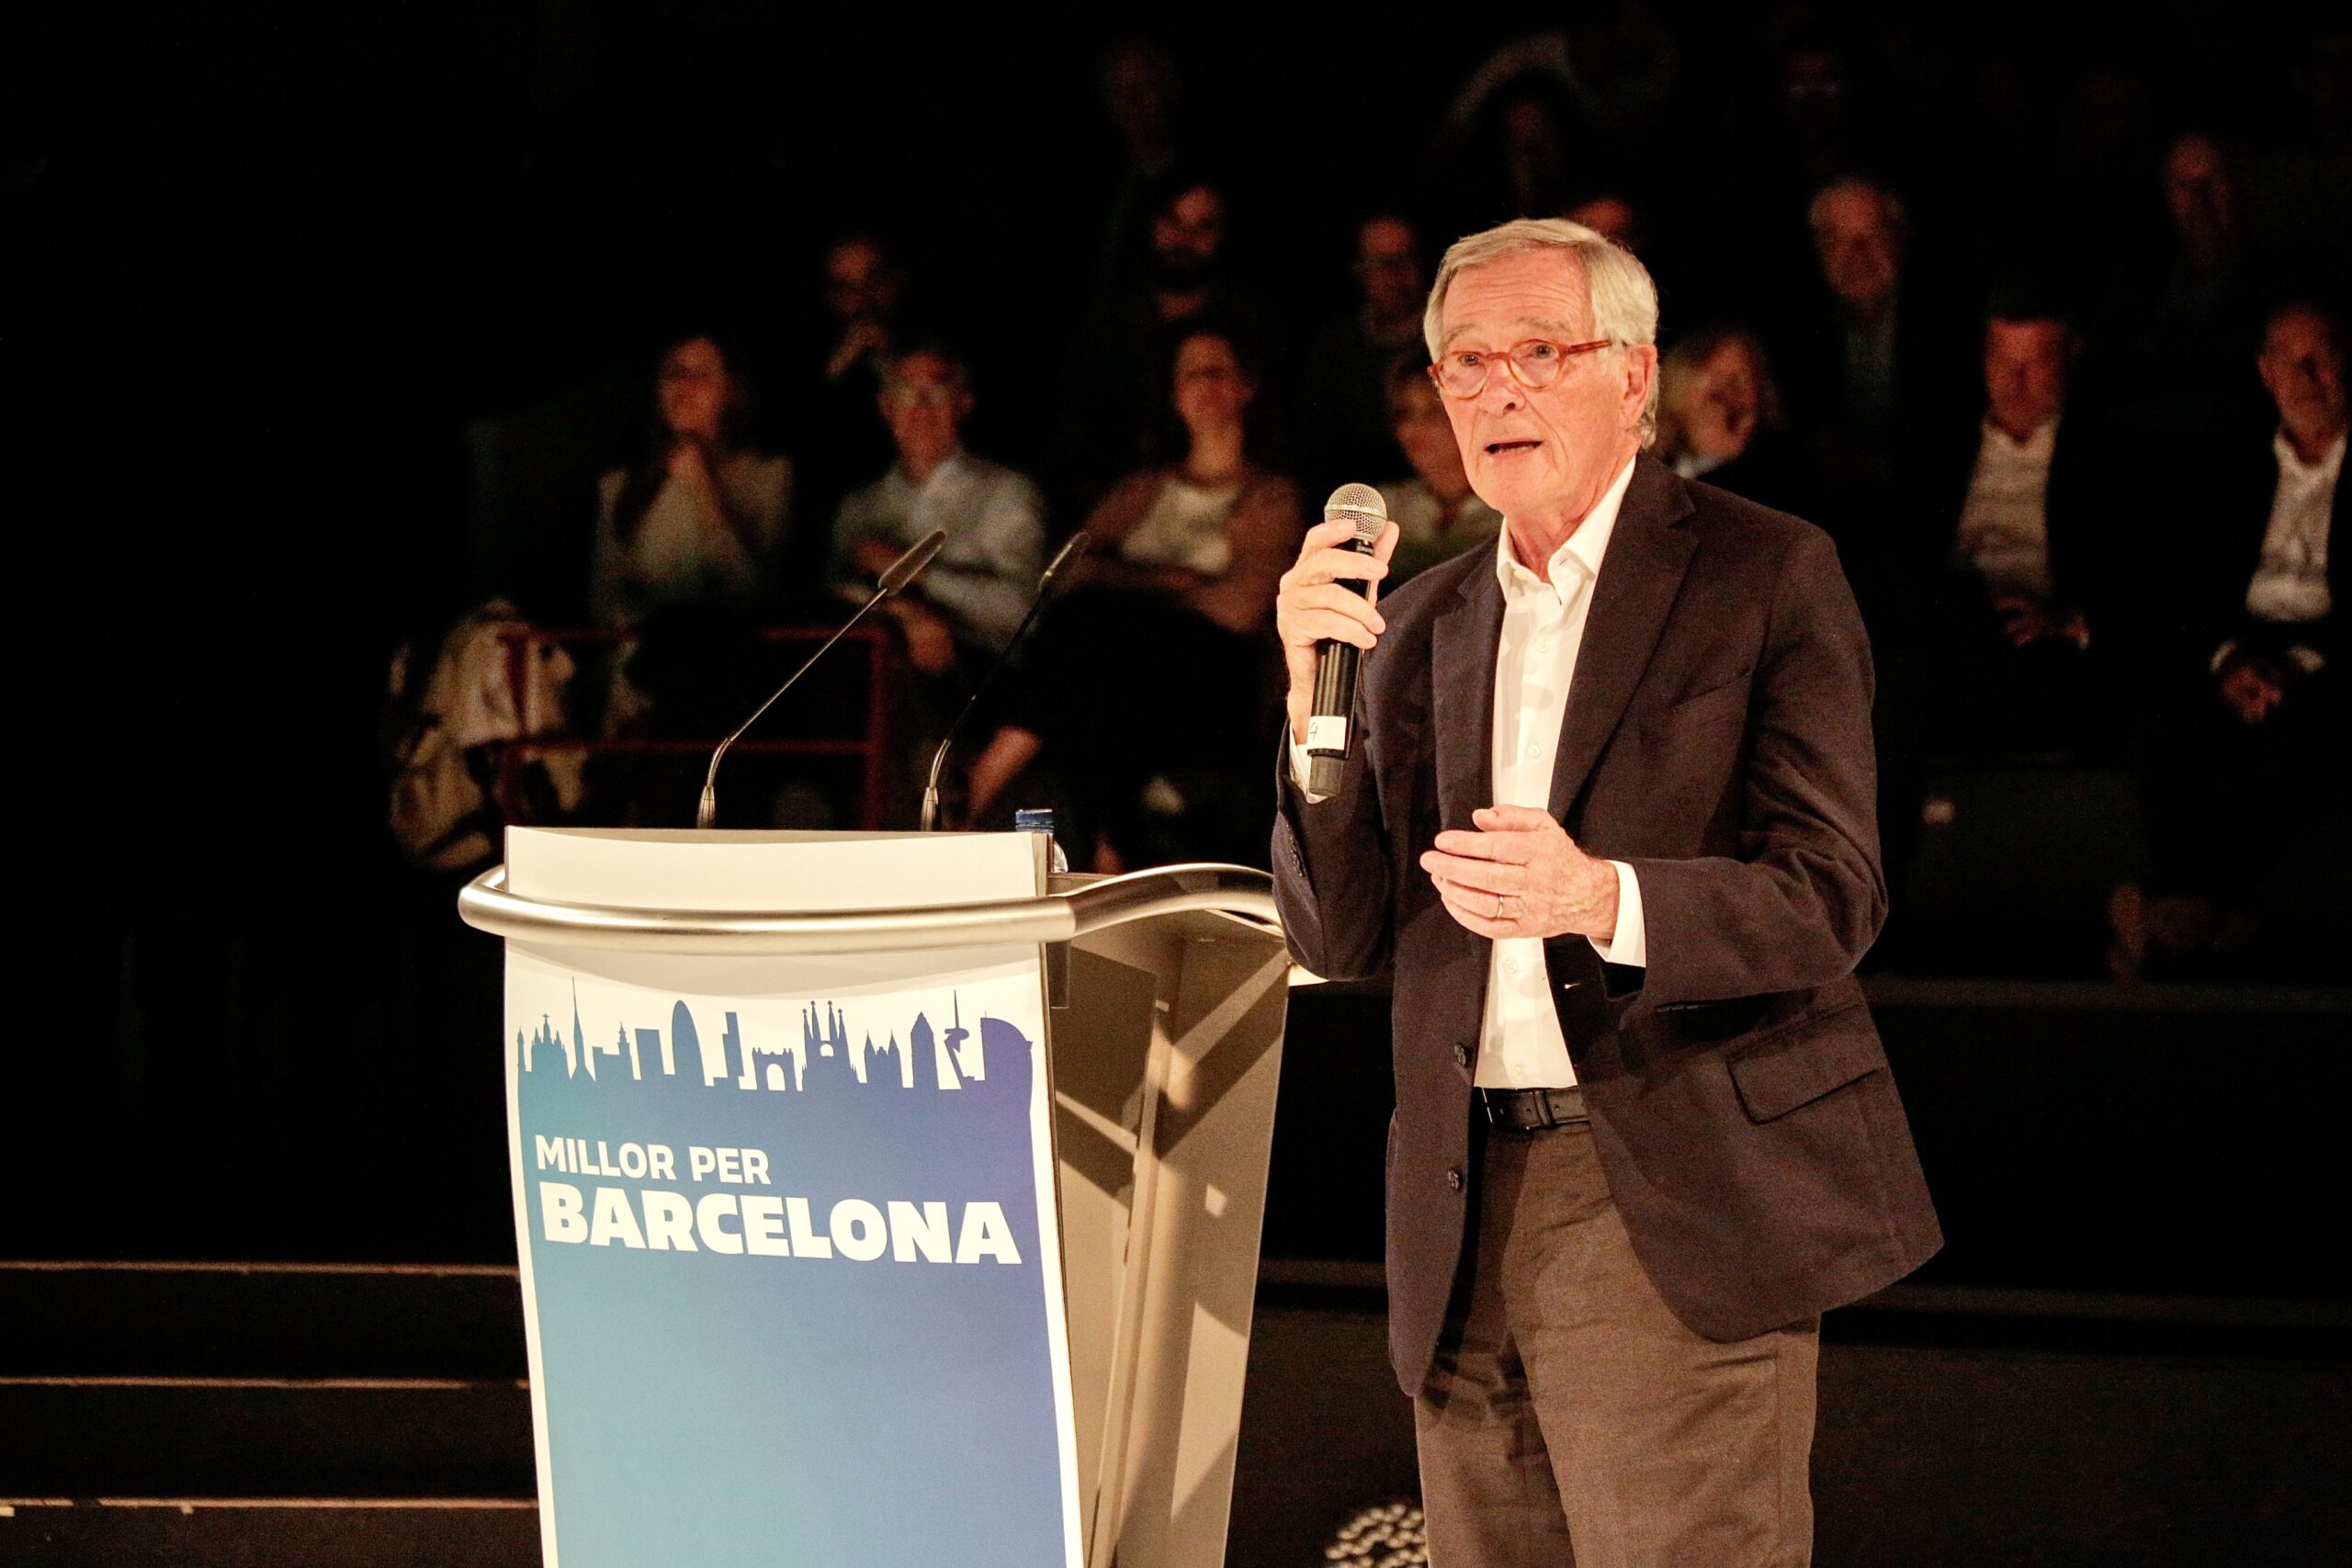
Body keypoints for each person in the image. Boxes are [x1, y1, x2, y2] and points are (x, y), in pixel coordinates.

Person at [1272, 219, 1938, 1565]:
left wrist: (1602, 898)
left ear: (1634, 376)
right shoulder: (1416, 624)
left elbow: (1831, 893)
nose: (1496, 390)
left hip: (1669, 1185)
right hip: (1460, 1203)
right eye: (1465, 363)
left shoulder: (1762, 569)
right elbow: (1337, 935)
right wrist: (1306, 708)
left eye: (1538, 351)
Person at [969, 326, 1303, 867]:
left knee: (1097, 632)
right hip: (1119, 674)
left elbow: (1241, 608)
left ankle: (985, 779)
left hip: (1208, 676)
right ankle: (1107, 838)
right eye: (1192, 374)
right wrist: (1167, 581)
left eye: (1218, 370)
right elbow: (1068, 571)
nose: (1206, 385)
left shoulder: (1269, 496)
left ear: (1247, 385)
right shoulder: (1143, 488)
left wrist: (1124, 587)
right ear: (1174, 394)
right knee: (1096, 653)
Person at [2119, 299, 2345, 977]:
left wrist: (2295, 668)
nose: (2306, 378)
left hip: (2327, 658)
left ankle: (2176, 910)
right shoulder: (2230, 461)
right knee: (2164, 712)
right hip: (2242, 643)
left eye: (2321, 359)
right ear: (2265, 373)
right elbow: (2182, 580)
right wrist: (2229, 661)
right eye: (2289, 362)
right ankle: (2213, 915)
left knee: (2308, 728)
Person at [830, 345, 1047, 672]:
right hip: (874, 668)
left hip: (981, 675)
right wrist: (903, 612)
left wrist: (917, 573)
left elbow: (1025, 613)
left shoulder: (1005, 493)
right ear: (886, 407)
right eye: (906, 394)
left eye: (937, 393)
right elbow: (832, 591)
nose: (921, 409)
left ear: (964, 404)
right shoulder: (862, 506)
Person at [588, 333, 792, 629]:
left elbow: (754, 596)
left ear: (730, 389)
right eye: (675, 372)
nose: (685, 385)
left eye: (702, 374)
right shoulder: (618, 487)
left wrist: (705, 492)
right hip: (646, 653)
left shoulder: (767, 477)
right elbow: (604, 598)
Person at [1300, 215, 1429, 488]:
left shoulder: (1452, 337)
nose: (1394, 273)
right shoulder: (1335, 349)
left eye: (1405, 258)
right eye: (1380, 263)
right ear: (1359, 270)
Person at [1653, 325, 1821, 520]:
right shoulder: (1646, 464)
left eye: (1741, 381)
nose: (1726, 397)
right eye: (1714, 381)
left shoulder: (1781, 477)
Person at [1376, 356, 1502, 586]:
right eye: (1405, 412)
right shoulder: (1383, 508)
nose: (1415, 426)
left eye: (1434, 410)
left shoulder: (1507, 511)